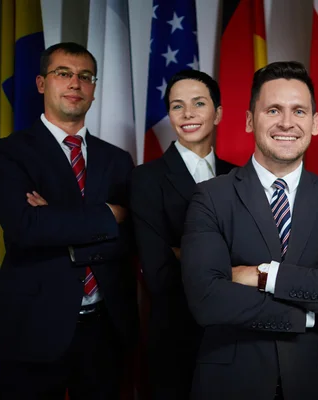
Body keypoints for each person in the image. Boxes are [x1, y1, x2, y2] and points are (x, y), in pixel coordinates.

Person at [180, 61, 318, 400]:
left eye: (299, 111)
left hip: (314, 383)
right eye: (273, 110)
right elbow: (207, 300)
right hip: (232, 384)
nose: (287, 123)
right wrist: (311, 309)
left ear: (314, 123)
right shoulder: (211, 197)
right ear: (248, 120)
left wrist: (263, 276)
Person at [0, 42, 138, 399]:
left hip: (105, 328)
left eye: (85, 77)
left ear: (94, 89)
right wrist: (108, 216)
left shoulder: (117, 159)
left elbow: (130, 237)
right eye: (63, 74)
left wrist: (56, 220)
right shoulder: (6, 152)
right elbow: (25, 229)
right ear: (41, 83)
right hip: (33, 327)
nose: (75, 84)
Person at [130, 69, 236, 399]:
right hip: (177, 335)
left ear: (217, 113)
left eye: (198, 103)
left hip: (237, 335)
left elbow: (261, 255)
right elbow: (159, 273)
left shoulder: (240, 176)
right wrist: (231, 265)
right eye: (177, 106)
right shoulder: (146, 179)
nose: (187, 114)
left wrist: (183, 252)